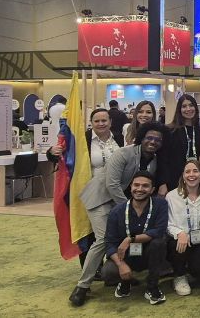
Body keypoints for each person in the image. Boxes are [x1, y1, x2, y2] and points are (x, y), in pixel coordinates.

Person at [58, 108, 125, 307]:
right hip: (95, 196)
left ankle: (118, 274)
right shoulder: (83, 139)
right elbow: (65, 157)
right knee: (100, 238)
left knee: (121, 235)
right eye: (97, 120)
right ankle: (83, 286)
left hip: (118, 195)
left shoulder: (120, 139)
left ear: (110, 121)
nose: (101, 123)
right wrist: (53, 153)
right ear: (91, 122)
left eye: (104, 120)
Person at [101, 171, 169, 305]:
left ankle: (152, 286)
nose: (139, 189)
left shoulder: (160, 205)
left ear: (152, 190)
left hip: (149, 253)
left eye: (145, 186)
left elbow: (159, 231)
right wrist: (121, 265)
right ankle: (126, 281)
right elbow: (109, 243)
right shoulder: (117, 211)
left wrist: (130, 239)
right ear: (131, 187)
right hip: (125, 255)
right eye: (136, 185)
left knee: (159, 243)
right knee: (108, 272)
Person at [165, 159, 200, 296]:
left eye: (195, 171)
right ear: (183, 176)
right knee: (176, 246)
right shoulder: (171, 196)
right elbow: (168, 223)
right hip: (181, 241)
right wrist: (180, 233)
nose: (191, 175)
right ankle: (179, 276)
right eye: (187, 171)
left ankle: (191, 271)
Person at [106, 121, 166, 204]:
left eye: (158, 140)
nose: (153, 142)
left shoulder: (156, 160)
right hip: (105, 199)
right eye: (149, 138)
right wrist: (128, 207)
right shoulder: (123, 153)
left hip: (131, 202)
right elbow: (112, 185)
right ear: (141, 138)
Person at [162, 94, 200, 197]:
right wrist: (162, 183)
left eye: (191, 105)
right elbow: (163, 158)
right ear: (179, 110)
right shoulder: (170, 130)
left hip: (195, 180)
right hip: (174, 180)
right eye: (184, 106)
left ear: (195, 108)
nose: (188, 109)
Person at [123, 101, 156, 167]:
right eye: (140, 112)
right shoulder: (128, 128)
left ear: (153, 114)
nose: (144, 115)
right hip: (128, 167)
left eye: (148, 112)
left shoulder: (158, 132)